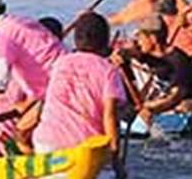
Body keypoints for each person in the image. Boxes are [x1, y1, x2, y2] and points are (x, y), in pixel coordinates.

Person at [23, 12, 125, 153]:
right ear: (105, 41)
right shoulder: (108, 71)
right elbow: (110, 116)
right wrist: (116, 159)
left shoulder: (60, 63)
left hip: (45, 143)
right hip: (85, 148)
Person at [0, 0, 64, 117]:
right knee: (22, 128)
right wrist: (28, 102)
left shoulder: (1, 34)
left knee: (27, 132)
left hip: (55, 88)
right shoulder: (24, 21)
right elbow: (41, 60)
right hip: (58, 79)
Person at [127, 15, 192, 115]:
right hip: (182, 99)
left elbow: (176, 97)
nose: (138, 43)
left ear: (153, 39)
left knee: (182, 107)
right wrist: (122, 55)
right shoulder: (152, 57)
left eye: (140, 38)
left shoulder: (177, 60)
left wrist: (151, 108)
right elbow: (134, 55)